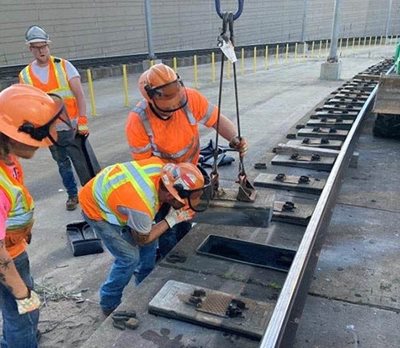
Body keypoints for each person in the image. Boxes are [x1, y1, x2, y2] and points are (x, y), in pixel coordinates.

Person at [125, 63, 248, 269]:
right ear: (151, 98)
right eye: (167, 104)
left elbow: (217, 120)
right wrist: (172, 193)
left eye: (177, 100)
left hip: (189, 170)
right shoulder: (138, 121)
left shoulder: (190, 98)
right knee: (168, 223)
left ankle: (185, 247)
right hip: (162, 180)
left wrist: (234, 138)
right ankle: (169, 260)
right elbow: (145, 167)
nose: (174, 106)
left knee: (187, 216)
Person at [79, 158, 210, 315]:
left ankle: (144, 285)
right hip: (96, 208)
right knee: (129, 258)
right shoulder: (141, 205)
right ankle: (109, 303)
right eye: (184, 200)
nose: (186, 204)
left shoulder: (161, 169)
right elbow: (142, 238)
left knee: (150, 242)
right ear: (171, 196)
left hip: (119, 196)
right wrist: (172, 219)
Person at [0, 84, 72, 347]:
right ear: (20, 132)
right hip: (6, 257)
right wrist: (21, 293)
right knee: (20, 314)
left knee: (22, 314)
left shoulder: (8, 158)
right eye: (46, 130)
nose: (51, 136)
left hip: (14, 249)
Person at [19, 25, 89, 211]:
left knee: (82, 161)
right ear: (30, 49)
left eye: (44, 46)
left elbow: (80, 95)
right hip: (50, 131)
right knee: (62, 164)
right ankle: (73, 195)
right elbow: (28, 105)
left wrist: (82, 120)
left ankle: (91, 195)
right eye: (37, 47)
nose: (41, 50)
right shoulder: (25, 75)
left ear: (48, 46)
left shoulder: (64, 66)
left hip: (72, 127)